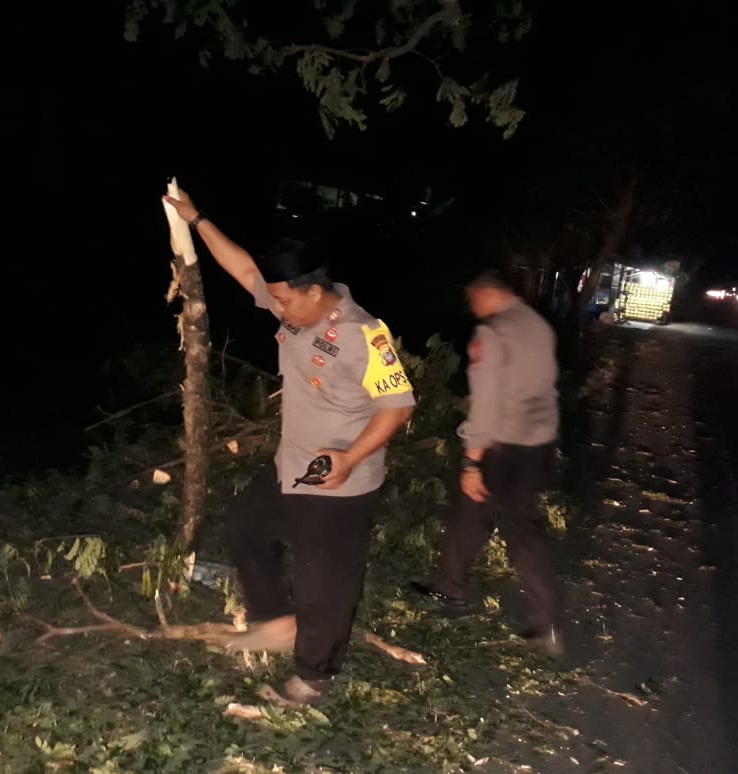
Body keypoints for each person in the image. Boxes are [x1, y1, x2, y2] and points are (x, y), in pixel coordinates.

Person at [163, 189, 416, 704]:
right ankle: (277, 622)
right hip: (291, 466)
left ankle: (313, 678)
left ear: (315, 292)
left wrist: (350, 458)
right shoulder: (295, 308)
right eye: (274, 299)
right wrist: (199, 217)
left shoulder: (363, 334)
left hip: (340, 480)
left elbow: (399, 406)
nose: (274, 305)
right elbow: (243, 270)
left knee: (324, 584)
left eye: (282, 299)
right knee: (245, 530)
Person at [410, 270, 564, 656]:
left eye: (473, 300)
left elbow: (486, 403)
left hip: (502, 447)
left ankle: (450, 592)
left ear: (486, 296)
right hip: (539, 443)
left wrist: (471, 463)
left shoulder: (492, 334)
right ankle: (546, 623)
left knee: (475, 511)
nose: (471, 308)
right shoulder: (537, 325)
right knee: (515, 524)